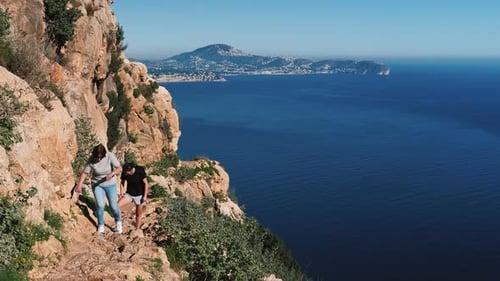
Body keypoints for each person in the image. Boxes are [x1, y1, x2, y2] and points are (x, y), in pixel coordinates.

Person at [75, 144, 122, 234]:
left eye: (101, 157)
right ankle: (100, 225)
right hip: (97, 185)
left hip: (110, 184)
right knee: (100, 205)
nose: (99, 159)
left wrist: (112, 174)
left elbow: (119, 168)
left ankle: (118, 222)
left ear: (104, 154)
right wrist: (80, 184)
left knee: (113, 206)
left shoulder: (109, 156)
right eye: (97, 157)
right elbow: (85, 173)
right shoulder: (92, 159)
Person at [118, 162, 149, 230]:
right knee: (116, 206)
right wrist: (121, 193)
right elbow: (122, 182)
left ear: (131, 170)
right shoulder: (125, 172)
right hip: (129, 194)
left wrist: (145, 196)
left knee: (138, 214)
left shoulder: (140, 170)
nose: (126, 174)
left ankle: (137, 230)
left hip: (139, 195)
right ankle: (119, 227)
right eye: (125, 172)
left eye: (127, 173)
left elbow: (146, 183)